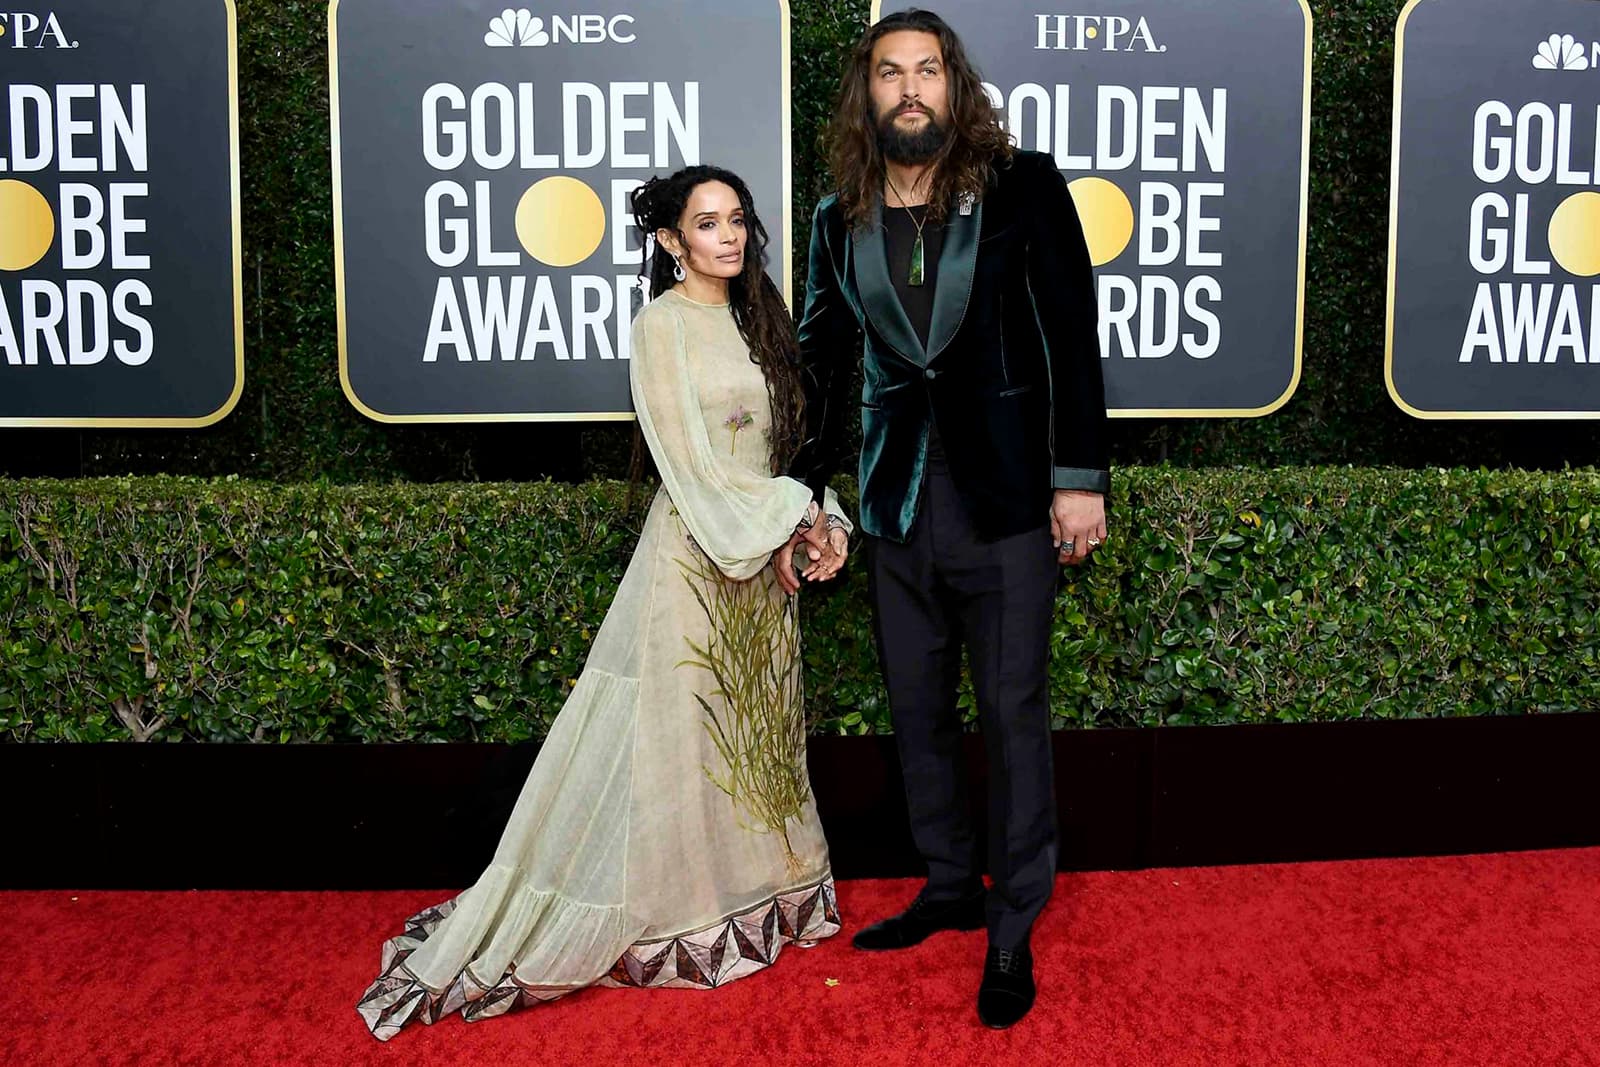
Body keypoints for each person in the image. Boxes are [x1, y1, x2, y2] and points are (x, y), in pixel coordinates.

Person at [357, 165, 852, 1041]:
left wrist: (814, 521)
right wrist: (794, 518)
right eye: (708, 224)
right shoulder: (660, 328)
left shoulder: (756, 320)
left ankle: (763, 900)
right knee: (681, 743)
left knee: (753, 736)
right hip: (696, 559)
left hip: (759, 559)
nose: (730, 236)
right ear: (670, 242)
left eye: (737, 219)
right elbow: (693, 468)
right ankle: (681, 914)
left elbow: (791, 448)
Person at [791, 7, 1110, 1030]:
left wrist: (1079, 477)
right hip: (895, 505)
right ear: (867, 95)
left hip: (1009, 497)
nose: (912, 89)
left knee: (1011, 712)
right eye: (891, 73)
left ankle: (1014, 917)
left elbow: (1071, 334)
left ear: (954, 84)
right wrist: (809, 494)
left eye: (928, 70)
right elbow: (823, 369)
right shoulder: (835, 215)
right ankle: (945, 883)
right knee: (917, 705)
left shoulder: (1023, 187)